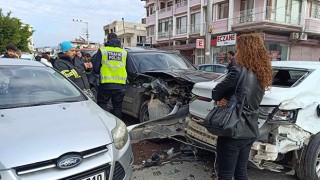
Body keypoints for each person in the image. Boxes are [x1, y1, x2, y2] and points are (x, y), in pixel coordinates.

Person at [211, 34, 273, 180]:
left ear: (243, 50)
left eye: (238, 49)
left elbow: (215, 93)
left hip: (233, 129)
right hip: (250, 130)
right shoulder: (262, 74)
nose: (236, 52)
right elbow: (245, 97)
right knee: (241, 173)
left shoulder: (237, 71)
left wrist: (225, 98)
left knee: (225, 176)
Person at [93, 33, 127, 118]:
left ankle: (105, 125)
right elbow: (129, 69)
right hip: (120, 85)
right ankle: (117, 127)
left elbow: (96, 69)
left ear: (108, 40)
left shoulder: (102, 50)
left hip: (105, 84)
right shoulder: (124, 52)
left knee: (102, 104)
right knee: (117, 107)